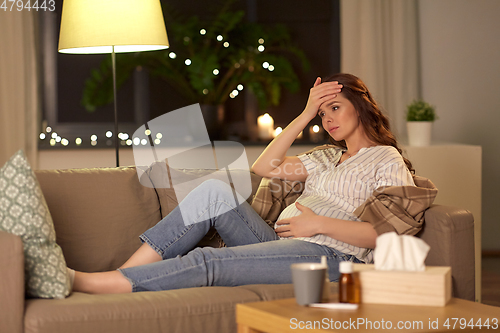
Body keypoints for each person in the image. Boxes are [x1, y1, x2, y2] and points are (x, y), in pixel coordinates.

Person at [70, 73, 415, 294]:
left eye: (335, 108)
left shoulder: (386, 159)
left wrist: (317, 223)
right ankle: (127, 273)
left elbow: (387, 233)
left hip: (334, 257)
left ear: (361, 107)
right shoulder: (326, 157)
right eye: (323, 114)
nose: (328, 120)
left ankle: (99, 283)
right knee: (213, 192)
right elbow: (264, 165)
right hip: (281, 243)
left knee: (209, 261)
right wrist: (305, 114)